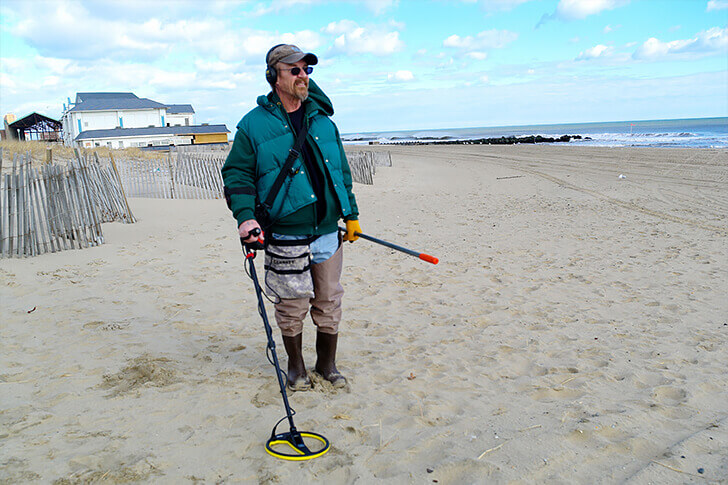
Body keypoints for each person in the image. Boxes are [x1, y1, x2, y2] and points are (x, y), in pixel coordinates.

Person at [221, 44, 361, 391]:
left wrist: (351, 214)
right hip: (286, 232)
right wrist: (245, 217)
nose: (303, 76)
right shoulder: (252, 125)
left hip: (328, 231)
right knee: (292, 304)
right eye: (294, 70)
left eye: (306, 70)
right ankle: (296, 368)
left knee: (329, 300)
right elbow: (237, 174)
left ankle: (327, 365)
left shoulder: (323, 121)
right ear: (274, 76)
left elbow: (341, 172)